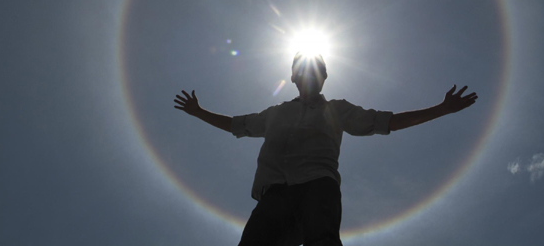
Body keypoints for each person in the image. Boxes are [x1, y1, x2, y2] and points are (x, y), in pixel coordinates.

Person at [174, 52, 477, 246]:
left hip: (318, 185)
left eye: (316, 71)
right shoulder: (275, 113)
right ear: (293, 77)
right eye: (302, 71)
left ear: (324, 78)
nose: (308, 76)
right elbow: (237, 125)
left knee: (322, 241)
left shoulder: (338, 110)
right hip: (274, 193)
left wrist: (441, 109)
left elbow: (386, 122)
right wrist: (198, 112)